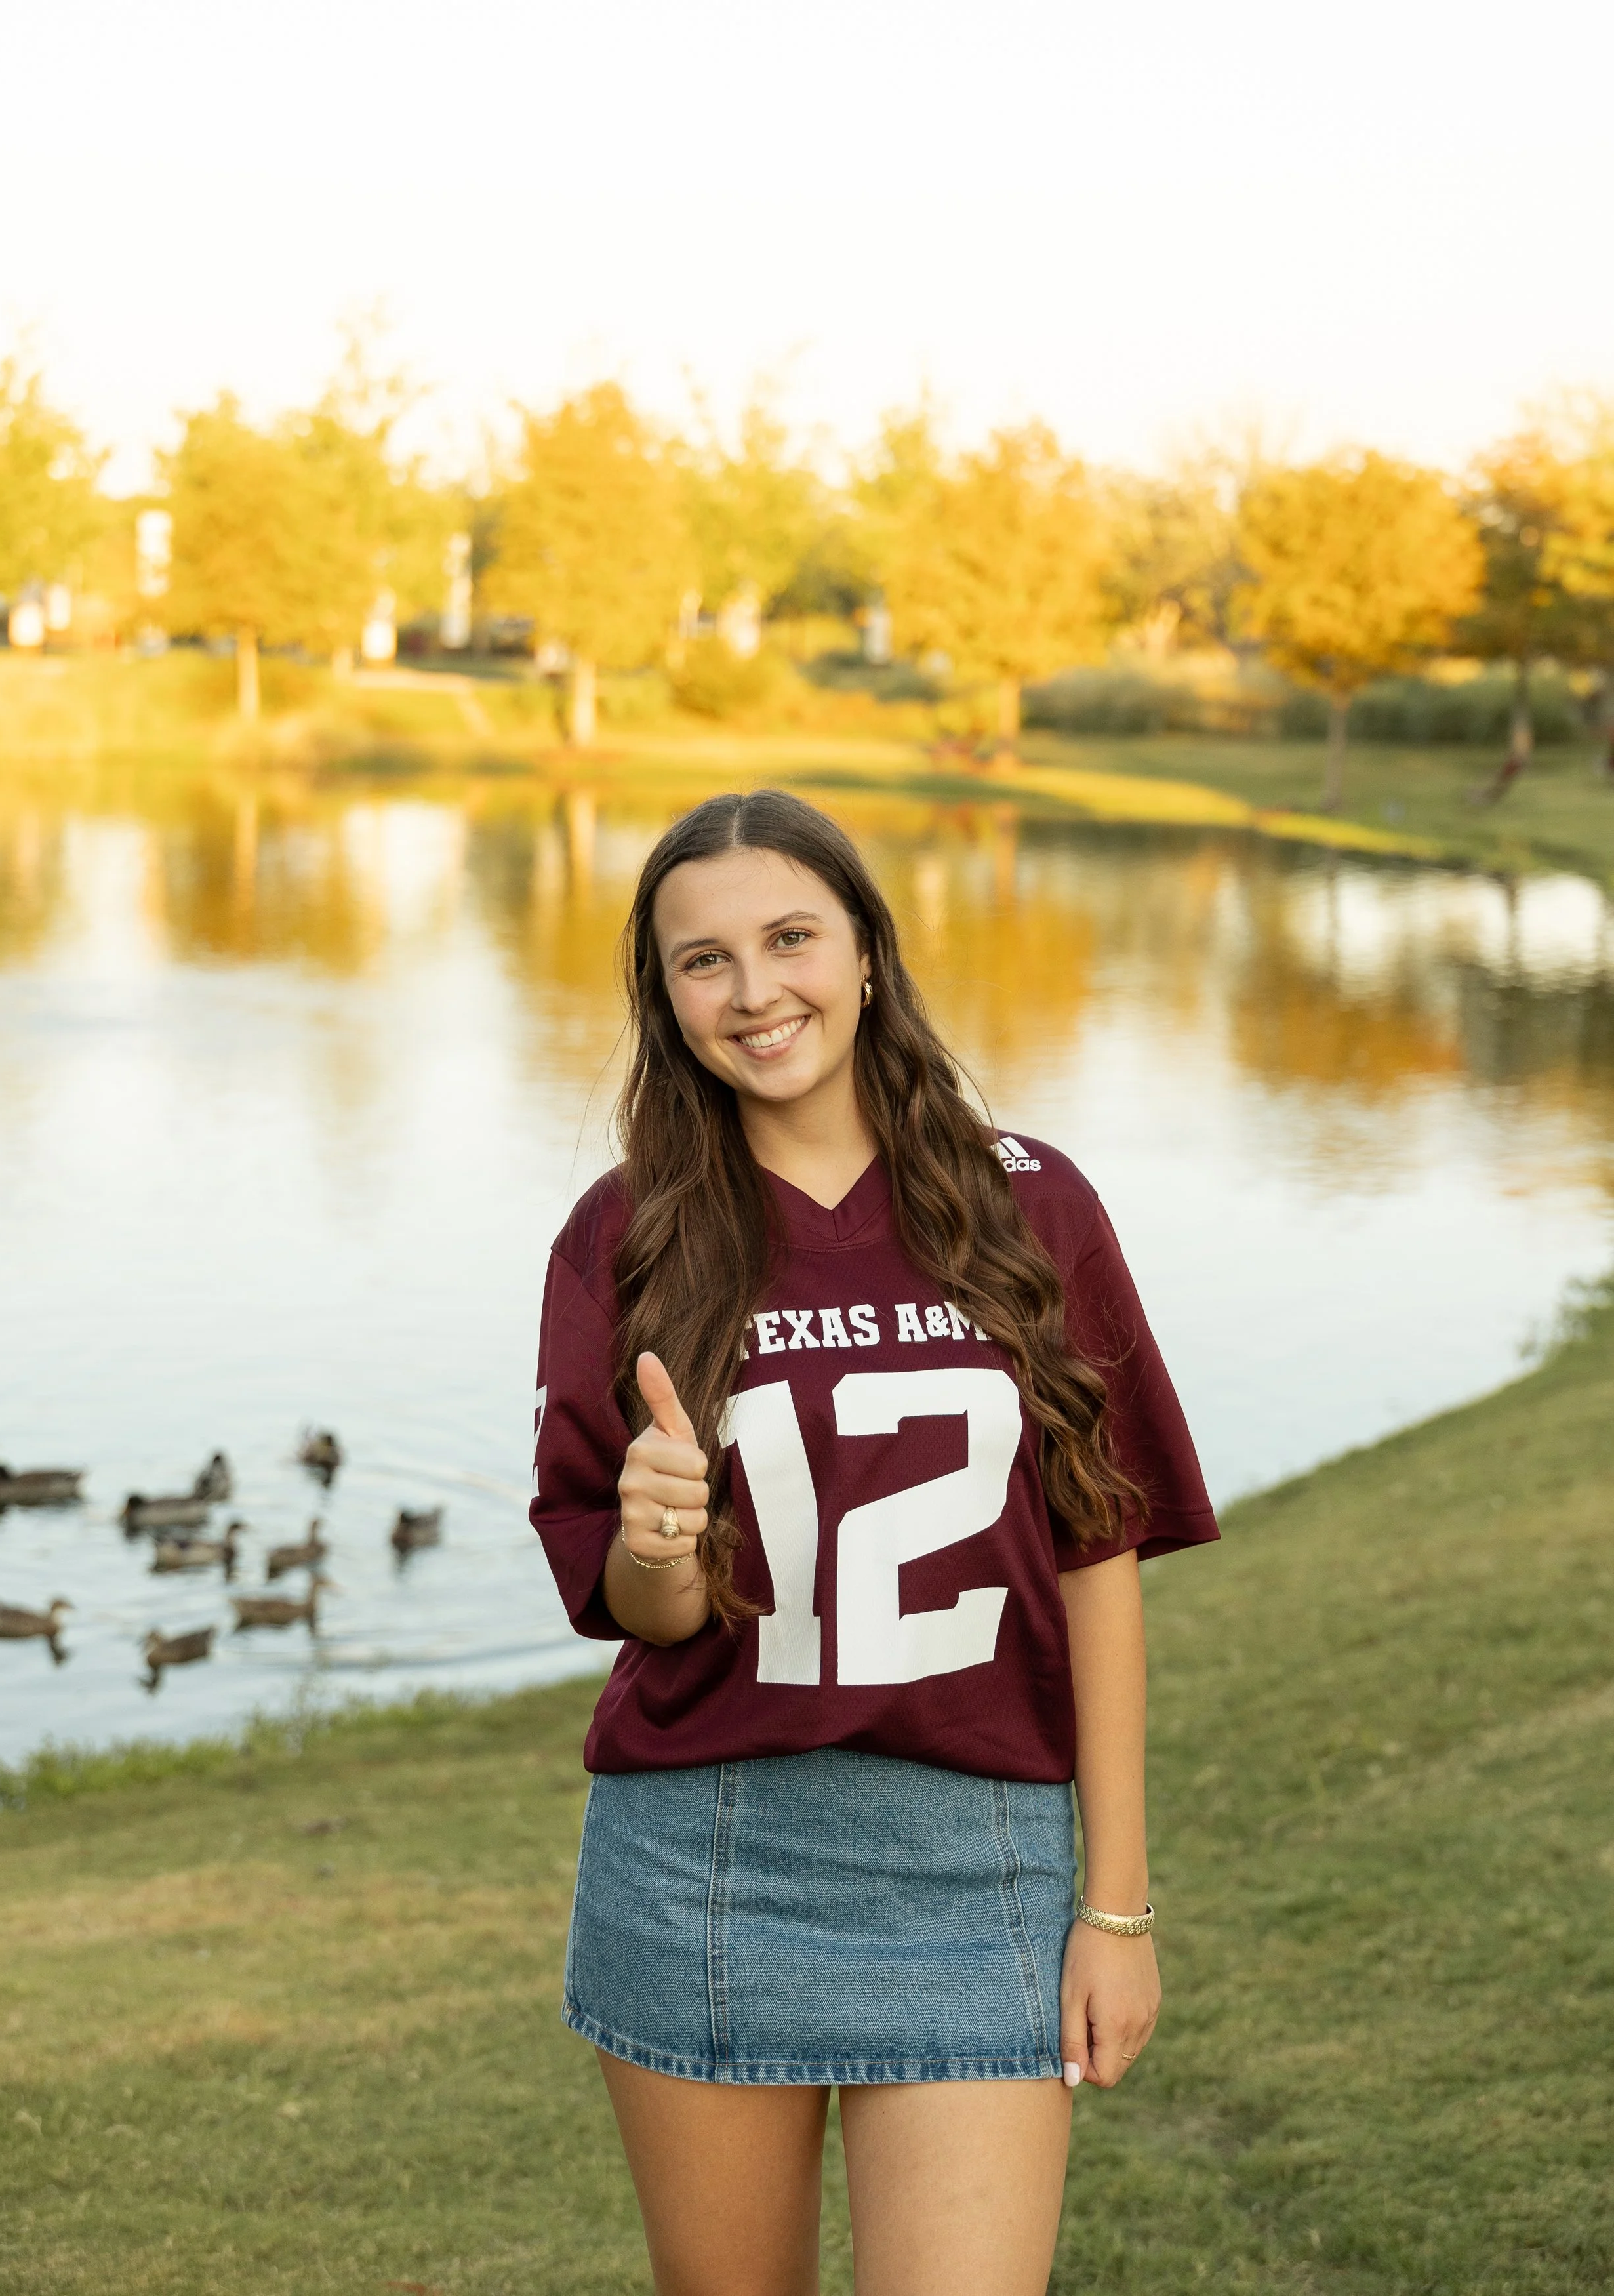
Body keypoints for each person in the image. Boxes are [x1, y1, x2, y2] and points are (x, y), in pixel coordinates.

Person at [531, 790, 1218, 2296]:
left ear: (865, 951)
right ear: (663, 997)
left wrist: (1116, 1903)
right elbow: (639, 1612)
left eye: (789, 938)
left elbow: (1095, 1559)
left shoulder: (1027, 1200)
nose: (755, 990)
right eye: (701, 960)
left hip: (980, 1860)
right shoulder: (624, 1231)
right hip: (705, 1856)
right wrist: (656, 1535)